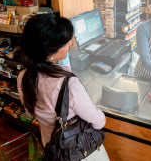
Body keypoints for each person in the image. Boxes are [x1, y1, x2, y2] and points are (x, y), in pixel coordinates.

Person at [16, 14, 109, 160]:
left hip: (52, 147)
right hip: (79, 151)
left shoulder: (23, 76)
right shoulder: (70, 85)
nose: (70, 44)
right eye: (66, 42)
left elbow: (30, 112)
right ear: (50, 50)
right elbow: (99, 122)